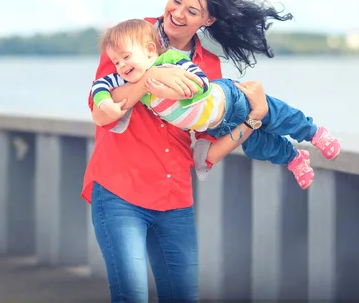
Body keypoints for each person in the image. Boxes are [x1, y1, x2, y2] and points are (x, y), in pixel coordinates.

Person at [83, 0, 290, 303]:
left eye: (192, 11)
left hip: (174, 200)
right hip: (120, 194)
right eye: (175, 0)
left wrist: (253, 121)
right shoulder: (129, 38)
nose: (177, 13)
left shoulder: (208, 66)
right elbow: (101, 112)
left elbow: (206, 151)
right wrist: (151, 76)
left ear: (207, 20)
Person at [91, 19, 340, 189]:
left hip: (231, 101)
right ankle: (294, 158)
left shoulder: (171, 60)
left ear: (148, 50)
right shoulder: (129, 77)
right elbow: (100, 86)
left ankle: (314, 132)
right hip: (216, 127)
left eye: (125, 57)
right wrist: (105, 105)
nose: (121, 66)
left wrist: (172, 91)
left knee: (276, 115)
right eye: (116, 62)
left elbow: (202, 83)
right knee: (257, 146)